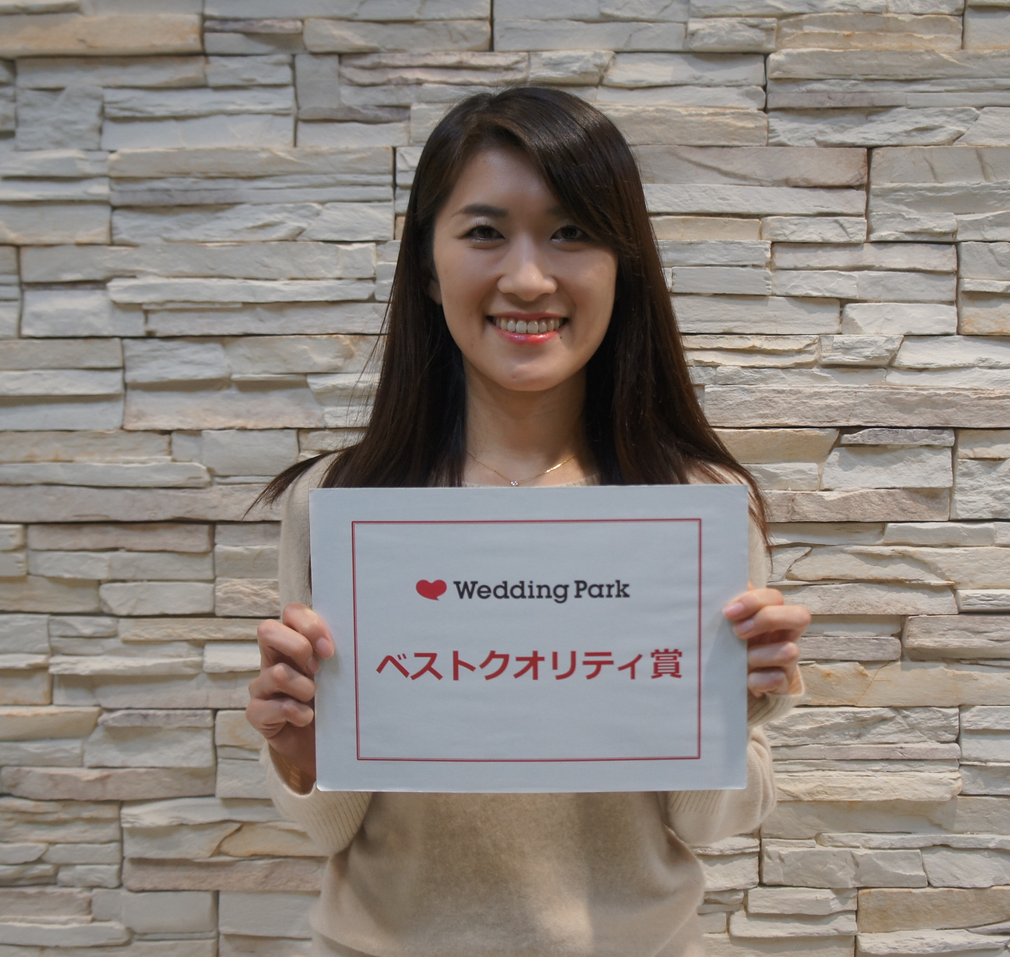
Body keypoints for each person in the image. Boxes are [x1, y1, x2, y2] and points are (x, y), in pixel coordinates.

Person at [245, 86, 809, 957]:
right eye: (484, 232)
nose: (529, 278)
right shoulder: (341, 502)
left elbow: (710, 823)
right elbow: (329, 828)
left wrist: (725, 718)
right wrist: (303, 751)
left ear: (623, 264)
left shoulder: (695, 505)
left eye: (571, 231)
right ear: (427, 266)